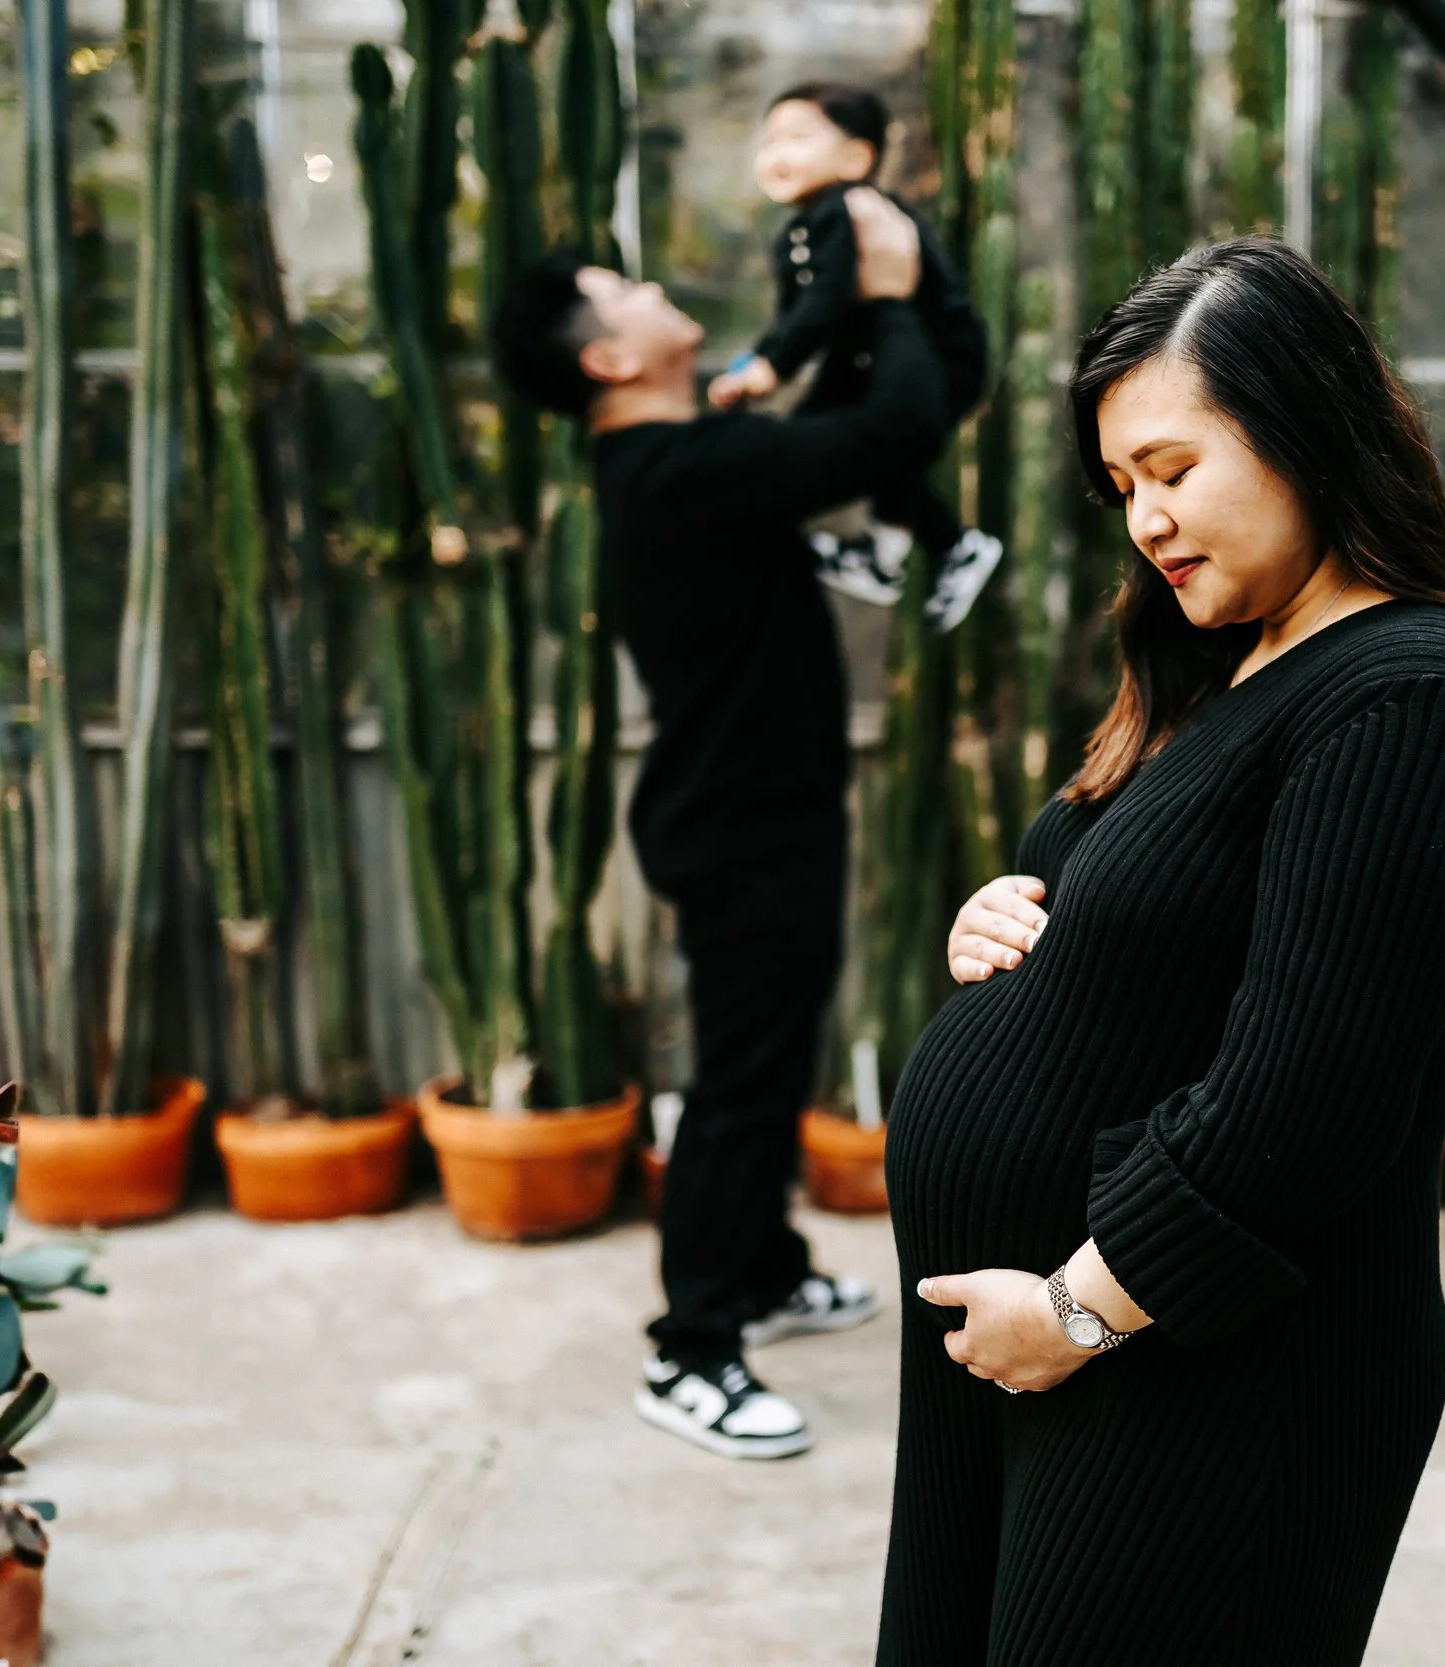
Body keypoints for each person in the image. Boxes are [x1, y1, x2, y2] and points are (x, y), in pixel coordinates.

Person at [876, 238, 1445, 1665]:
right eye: (1123, 486)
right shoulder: (1229, 659)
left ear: (1304, 428)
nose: (1148, 521)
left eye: (1173, 468)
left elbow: (1311, 1099)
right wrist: (1012, 913)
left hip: (1211, 1380)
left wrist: (1076, 1310)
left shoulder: (1408, 698)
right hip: (1069, 1360)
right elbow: (1140, 916)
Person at [490, 190, 950, 1461]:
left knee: (770, 1058)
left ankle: (762, 1267)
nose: (653, 289)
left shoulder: (686, 458)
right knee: (741, 1089)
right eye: (624, 291)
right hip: (743, 827)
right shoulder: (686, 472)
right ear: (608, 359)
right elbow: (899, 426)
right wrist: (889, 295)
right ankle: (691, 1347)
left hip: (759, 814)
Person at [709, 81, 1004, 632]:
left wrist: (773, 367)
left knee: (881, 445)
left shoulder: (847, 209)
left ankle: (948, 546)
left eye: (797, 138)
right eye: (768, 142)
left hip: (937, 361)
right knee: (849, 443)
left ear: (856, 158)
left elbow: (822, 303)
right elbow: (796, 316)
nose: (775, 153)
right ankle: (888, 557)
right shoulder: (803, 228)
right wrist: (758, 365)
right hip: (869, 361)